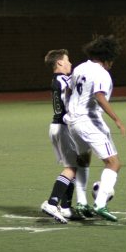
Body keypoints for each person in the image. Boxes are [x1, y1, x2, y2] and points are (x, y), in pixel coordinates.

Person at [64, 34, 126, 222]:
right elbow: (99, 96)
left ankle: (82, 202)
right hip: (89, 122)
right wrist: (117, 119)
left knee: (84, 160)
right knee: (113, 163)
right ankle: (100, 203)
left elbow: (68, 90)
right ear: (107, 58)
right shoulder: (101, 73)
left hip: (73, 122)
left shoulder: (80, 67)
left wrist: (70, 109)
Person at [40, 49, 92, 224]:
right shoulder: (63, 80)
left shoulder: (58, 80)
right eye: (68, 60)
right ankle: (52, 202)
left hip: (57, 126)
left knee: (74, 166)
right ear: (60, 63)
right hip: (63, 127)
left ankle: (67, 207)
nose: (70, 64)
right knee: (71, 168)